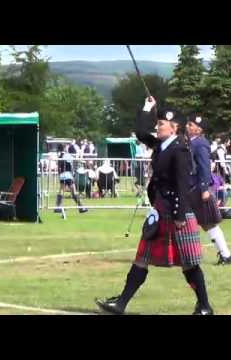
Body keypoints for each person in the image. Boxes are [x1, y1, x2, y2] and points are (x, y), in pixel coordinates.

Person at [96, 96, 213, 315]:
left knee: (189, 264)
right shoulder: (161, 145)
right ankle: (120, 304)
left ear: (174, 127)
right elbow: (141, 133)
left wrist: (179, 215)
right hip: (160, 211)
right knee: (141, 258)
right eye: (157, 123)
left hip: (177, 213)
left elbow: (182, 184)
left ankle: (204, 306)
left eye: (160, 124)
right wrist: (147, 107)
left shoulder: (180, 150)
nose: (156, 126)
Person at [186, 114, 231, 265]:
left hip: (196, 188)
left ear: (199, 129)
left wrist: (204, 188)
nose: (187, 126)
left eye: (191, 124)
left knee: (208, 223)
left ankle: (226, 254)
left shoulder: (200, 144)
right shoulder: (190, 142)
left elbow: (204, 167)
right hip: (188, 187)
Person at [54, 144, 88, 214]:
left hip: (62, 175)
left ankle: (57, 207)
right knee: (74, 192)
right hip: (68, 175)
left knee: (61, 191)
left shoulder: (60, 155)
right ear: (64, 148)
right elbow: (73, 160)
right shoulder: (66, 155)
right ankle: (81, 207)